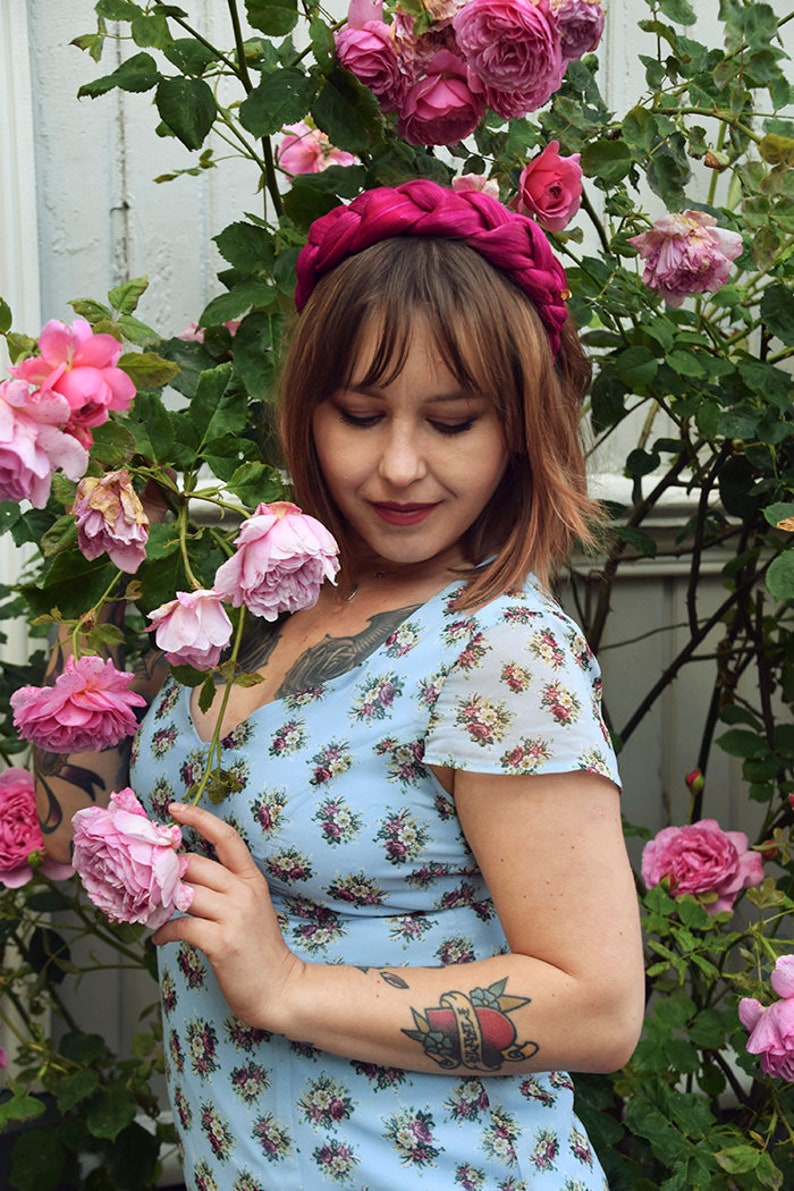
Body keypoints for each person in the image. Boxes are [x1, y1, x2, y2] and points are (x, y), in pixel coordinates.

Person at [37, 179, 644, 1190]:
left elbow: (598, 1007)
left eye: (451, 422)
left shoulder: (495, 650)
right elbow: (62, 828)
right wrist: (85, 632)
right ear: (306, 410)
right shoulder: (249, 598)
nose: (398, 466)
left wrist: (286, 985)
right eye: (359, 414)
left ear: (517, 429)